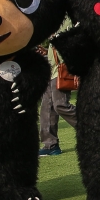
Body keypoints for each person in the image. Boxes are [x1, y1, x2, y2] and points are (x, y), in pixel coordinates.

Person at [38, 25, 77, 157]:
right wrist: (46, 51)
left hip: (61, 70)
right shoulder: (56, 22)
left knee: (60, 105)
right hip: (52, 70)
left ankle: (92, 128)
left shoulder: (67, 21)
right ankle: (50, 145)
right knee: (46, 109)